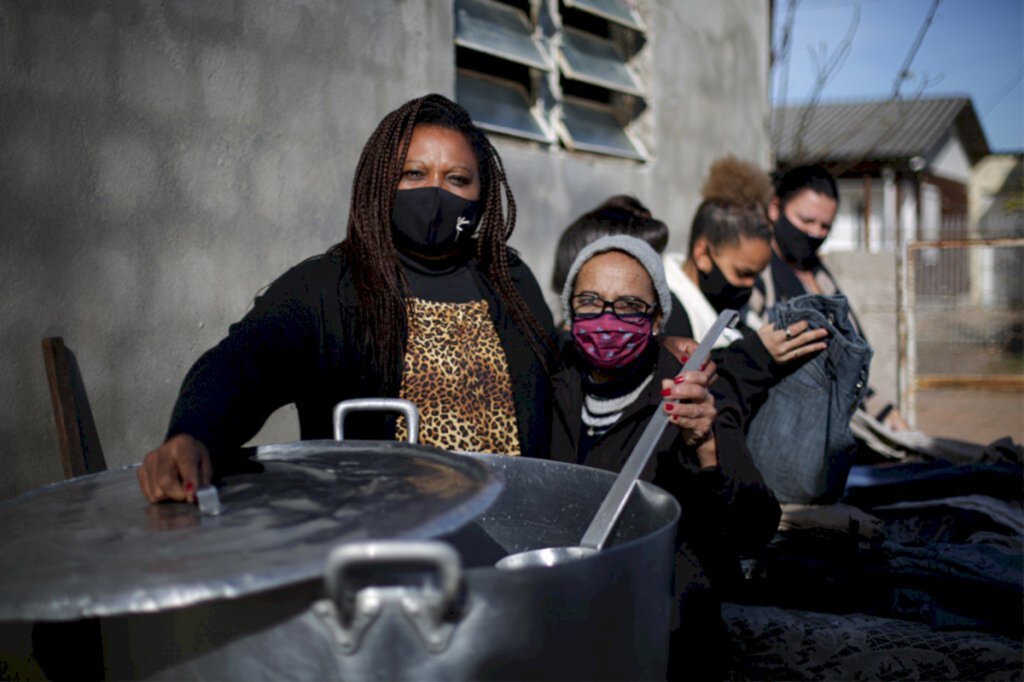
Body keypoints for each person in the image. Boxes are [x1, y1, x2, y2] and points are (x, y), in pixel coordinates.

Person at [137, 94, 556, 503]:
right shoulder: (327, 289)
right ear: (380, 182)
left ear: (483, 193)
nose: (434, 192)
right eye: (413, 173)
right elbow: (242, 363)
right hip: (379, 534)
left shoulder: (510, 283)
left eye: (457, 179)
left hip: (511, 529)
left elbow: (555, 400)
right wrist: (192, 434)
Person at [548, 235, 780, 679]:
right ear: (570, 311)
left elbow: (755, 527)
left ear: (656, 319)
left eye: (630, 305)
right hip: (569, 624)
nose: (608, 318)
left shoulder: (693, 395)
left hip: (664, 635)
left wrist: (705, 446)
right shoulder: (550, 386)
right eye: (590, 301)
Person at [750, 163, 909, 430]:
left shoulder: (822, 278)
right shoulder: (758, 275)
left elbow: (849, 361)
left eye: (825, 226)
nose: (814, 233)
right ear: (775, 209)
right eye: (806, 221)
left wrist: (885, 412)